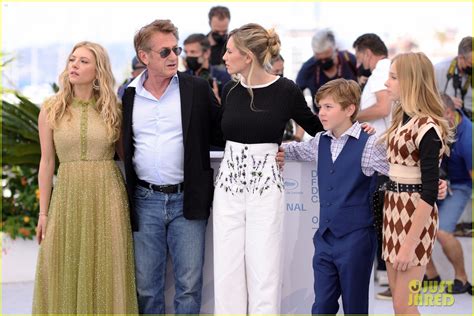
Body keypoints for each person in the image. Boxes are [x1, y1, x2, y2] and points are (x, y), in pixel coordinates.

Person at [213, 23, 325, 315]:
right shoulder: (230, 89)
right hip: (228, 187)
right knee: (227, 268)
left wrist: (354, 128)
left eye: (229, 51)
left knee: (265, 268)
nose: (224, 56)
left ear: (247, 56)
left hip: (266, 189)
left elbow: (318, 128)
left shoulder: (285, 90)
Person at [120, 19, 223, 314]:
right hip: (144, 201)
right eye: (164, 52)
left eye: (175, 49)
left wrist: (269, 148)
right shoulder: (128, 96)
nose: (174, 57)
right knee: (146, 288)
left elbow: (223, 130)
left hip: (187, 200)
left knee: (189, 287)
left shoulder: (196, 88)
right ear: (144, 57)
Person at [32, 41, 138, 314]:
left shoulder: (113, 108)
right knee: (61, 265)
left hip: (107, 197)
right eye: (72, 59)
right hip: (66, 198)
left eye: (83, 61)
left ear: (98, 69)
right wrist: (43, 213)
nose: (75, 65)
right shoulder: (51, 109)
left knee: (105, 266)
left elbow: (127, 157)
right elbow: (46, 162)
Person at [283, 78, 387, 314]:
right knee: (321, 306)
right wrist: (272, 150)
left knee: (355, 307)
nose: (321, 113)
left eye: (328, 107)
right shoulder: (320, 141)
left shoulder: (370, 144)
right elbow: (295, 150)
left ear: (350, 109)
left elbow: (400, 171)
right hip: (325, 239)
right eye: (319, 107)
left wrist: (436, 182)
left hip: (357, 237)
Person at [382, 52, 453, 315]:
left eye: (393, 77)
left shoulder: (427, 126)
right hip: (393, 209)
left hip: (415, 215)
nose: (386, 83)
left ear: (410, 81)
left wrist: (410, 244)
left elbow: (430, 190)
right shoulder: (401, 116)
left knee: (405, 305)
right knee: (399, 305)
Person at [352, 33, 392, 298]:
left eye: (358, 56)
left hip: (380, 156)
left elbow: (382, 108)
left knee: (382, 219)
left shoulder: (380, 71)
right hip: (380, 154)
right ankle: (387, 275)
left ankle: (390, 276)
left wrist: (352, 114)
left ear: (367, 52)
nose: (358, 63)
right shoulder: (382, 72)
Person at [425, 93, 473, 295]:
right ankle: (431, 276)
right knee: (416, 224)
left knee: (443, 232)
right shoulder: (438, 125)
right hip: (439, 181)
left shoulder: (469, 137)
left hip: (461, 184)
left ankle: (462, 278)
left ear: (448, 113)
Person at [296, 28, 358, 111]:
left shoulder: (349, 60)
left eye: (327, 58)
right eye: (319, 59)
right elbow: (296, 93)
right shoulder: (308, 68)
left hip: (350, 119)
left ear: (335, 50)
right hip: (322, 121)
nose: (323, 62)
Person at [183, 33, 231, 102]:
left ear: (206, 53)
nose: (188, 56)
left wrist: (216, 100)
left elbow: (229, 108)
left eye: (193, 52)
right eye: (186, 52)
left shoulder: (222, 76)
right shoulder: (182, 78)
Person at [435, 36, 473, 120]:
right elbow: (426, 97)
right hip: (446, 122)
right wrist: (446, 101)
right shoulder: (438, 70)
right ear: (460, 58)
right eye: (471, 63)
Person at [207, 5, 231, 70]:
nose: (221, 34)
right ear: (210, 23)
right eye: (217, 31)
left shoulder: (233, 46)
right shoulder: (200, 44)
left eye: (224, 31)